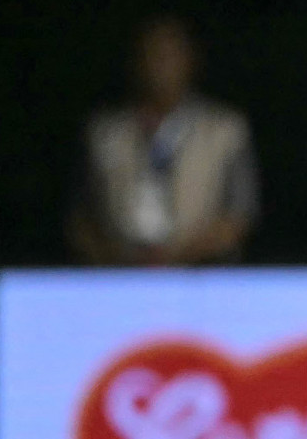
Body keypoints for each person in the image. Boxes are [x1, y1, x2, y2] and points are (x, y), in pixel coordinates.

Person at [69, 16, 258, 266]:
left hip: (199, 274)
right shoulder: (105, 132)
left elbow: (239, 213)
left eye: (169, 55)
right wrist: (118, 259)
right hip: (119, 273)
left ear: (190, 61)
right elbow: (80, 216)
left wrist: (177, 257)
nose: (159, 65)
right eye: (151, 54)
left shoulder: (224, 130)